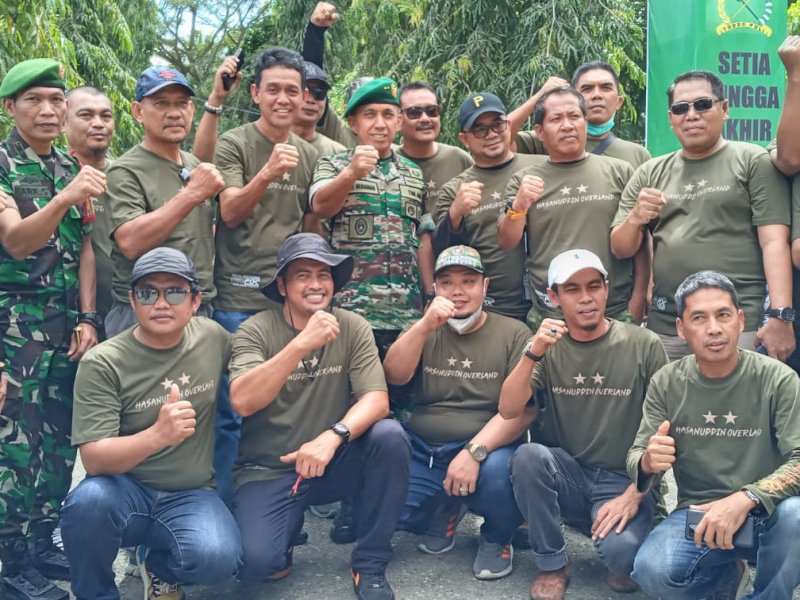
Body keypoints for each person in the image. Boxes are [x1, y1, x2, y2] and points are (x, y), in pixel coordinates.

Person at [229, 233, 410, 600]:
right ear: (281, 285)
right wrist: (300, 345)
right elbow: (243, 401)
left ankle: (370, 561)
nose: (315, 284)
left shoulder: (353, 325)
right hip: (271, 468)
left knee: (390, 436)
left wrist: (333, 436)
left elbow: (377, 400)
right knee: (256, 563)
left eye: (323, 274)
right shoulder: (255, 330)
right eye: (302, 275)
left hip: (335, 460)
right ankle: (287, 531)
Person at [60, 247, 241, 600]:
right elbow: (94, 460)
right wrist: (158, 435)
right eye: (147, 292)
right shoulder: (102, 363)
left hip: (190, 492)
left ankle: (158, 566)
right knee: (85, 505)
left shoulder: (213, 337)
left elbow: (255, 366)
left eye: (175, 291)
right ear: (132, 300)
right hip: (125, 491)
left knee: (219, 559)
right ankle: (95, 594)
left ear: (194, 300)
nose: (161, 303)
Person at [499, 249, 667, 600]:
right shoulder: (548, 347)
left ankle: (621, 530)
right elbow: (509, 408)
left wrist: (634, 495)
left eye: (594, 286)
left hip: (625, 476)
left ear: (607, 288)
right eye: (572, 289)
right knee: (528, 456)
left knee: (622, 559)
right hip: (571, 473)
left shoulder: (642, 343)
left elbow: (667, 429)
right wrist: (533, 352)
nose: (586, 298)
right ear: (554, 296)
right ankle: (553, 564)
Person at [0, 58, 105, 600]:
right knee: (16, 449)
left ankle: (42, 541)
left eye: (54, 100)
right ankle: (11, 561)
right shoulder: (1, 166)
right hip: (14, 332)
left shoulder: (68, 166)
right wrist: (64, 198)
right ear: (9, 108)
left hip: (66, 328)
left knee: (61, 444)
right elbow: (16, 242)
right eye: (33, 100)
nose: (47, 110)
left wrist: (89, 317)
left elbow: (86, 247)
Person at [628, 271, 800, 599]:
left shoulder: (779, 379)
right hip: (699, 515)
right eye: (699, 318)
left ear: (739, 319)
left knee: (797, 515)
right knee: (651, 571)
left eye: (722, 315)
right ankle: (726, 581)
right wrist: (649, 460)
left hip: (769, 513)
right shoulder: (666, 382)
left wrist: (744, 498)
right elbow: (637, 454)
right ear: (681, 328)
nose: (714, 328)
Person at [611, 70, 794, 362]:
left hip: (736, 322)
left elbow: (774, 242)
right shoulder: (650, 172)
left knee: (735, 406)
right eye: (681, 109)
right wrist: (635, 218)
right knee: (670, 404)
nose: (691, 115)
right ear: (671, 119)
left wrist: (781, 317)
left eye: (703, 104)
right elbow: (620, 247)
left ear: (725, 110)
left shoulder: (752, 161)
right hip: (668, 324)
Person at [384, 245, 533, 580]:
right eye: (448, 282)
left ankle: (497, 536)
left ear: (485, 286)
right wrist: (424, 325)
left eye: (469, 281)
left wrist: (474, 452)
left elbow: (523, 412)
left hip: (484, 448)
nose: (458, 291)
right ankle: (446, 506)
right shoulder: (422, 327)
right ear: (435, 288)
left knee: (502, 471)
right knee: (391, 516)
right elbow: (394, 375)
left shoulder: (514, 333)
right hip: (426, 449)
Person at [212, 46, 319, 505]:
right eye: (272, 89)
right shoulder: (235, 143)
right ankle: (220, 503)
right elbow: (230, 212)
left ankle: (275, 506)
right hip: (237, 299)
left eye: (292, 91)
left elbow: (310, 227)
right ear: (255, 93)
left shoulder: (310, 153)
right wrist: (268, 172)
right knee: (232, 411)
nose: (283, 99)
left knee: (281, 409)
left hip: (286, 302)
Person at [498, 87, 644, 329]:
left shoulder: (620, 171)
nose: (567, 125)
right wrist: (519, 204)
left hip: (614, 309)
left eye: (574, 116)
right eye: (556, 119)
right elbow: (506, 241)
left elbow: (641, 241)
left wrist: (639, 294)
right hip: (550, 315)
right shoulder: (523, 180)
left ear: (585, 122)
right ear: (540, 132)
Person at [104, 65, 225, 337]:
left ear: (192, 110)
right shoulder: (126, 170)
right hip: (144, 311)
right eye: (160, 103)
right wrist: (192, 194)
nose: (174, 113)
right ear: (138, 111)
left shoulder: (195, 165)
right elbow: (130, 242)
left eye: (181, 104)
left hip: (199, 306)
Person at [432, 91, 544, 322]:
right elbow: (441, 253)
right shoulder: (455, 189)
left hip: (547, 300)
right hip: (490, 308)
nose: (491, 134)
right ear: (464, 139)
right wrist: (455, 214)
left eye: (497, 125)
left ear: (508, 125)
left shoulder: (543, 167)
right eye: (480, 129)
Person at [64, 86, 115, 327]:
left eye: (106, 116)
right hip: (58, 313)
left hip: (121, 312)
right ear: (63, 121)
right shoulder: (49, 175)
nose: (98, 123)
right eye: (86, 115)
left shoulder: (128, 176)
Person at [396, 82, 473, 216]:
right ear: (398, 120)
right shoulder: (388, 161)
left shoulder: (459, 159)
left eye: (432, 111)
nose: (425, 119)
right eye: (414, 112)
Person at [571, 61, 651, 168]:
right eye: (587, 89)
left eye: (606, 88)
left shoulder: (639, 156)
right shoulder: (551, 146)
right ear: (572, 100)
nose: (597, 95)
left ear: (619, 102)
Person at [293, 60, 347, 157]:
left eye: (319, 93)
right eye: (303, 91)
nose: (310, 100)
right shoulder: (265, 143)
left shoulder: (339, 154)